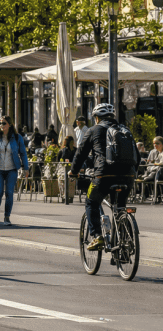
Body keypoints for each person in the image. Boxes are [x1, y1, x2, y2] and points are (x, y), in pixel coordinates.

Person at [69, 103, 138, 251]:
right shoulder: (125, 130)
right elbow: (136, 155)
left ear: (96, 118)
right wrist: (133, 174)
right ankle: (125, 242)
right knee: (120, 207)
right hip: (128, 175)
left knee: (91, 202)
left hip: (104, 175)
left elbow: (80, 153)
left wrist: (73, 171)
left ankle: (97, 236)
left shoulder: (94, 130)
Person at [0, 116, 29, 225]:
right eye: (0, 123)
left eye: (4, 123)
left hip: (11, 169)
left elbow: (23, 153)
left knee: (9, 193)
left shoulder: (17, 138)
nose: (1, 125)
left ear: (9, 124)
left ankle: (7, 217)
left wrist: (25, 168)